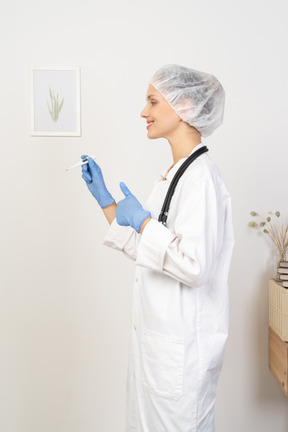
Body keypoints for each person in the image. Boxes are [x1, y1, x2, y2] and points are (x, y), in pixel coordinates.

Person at [81, 64, 234, 432]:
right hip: (161, 354)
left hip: (181, 359)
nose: (143, 112)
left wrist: (145, 222)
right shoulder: (176, 174)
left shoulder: (202, 180)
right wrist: (107, 203)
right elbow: (154, 255)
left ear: (183, 105)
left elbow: (194, 267)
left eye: (152, 101)